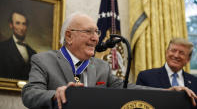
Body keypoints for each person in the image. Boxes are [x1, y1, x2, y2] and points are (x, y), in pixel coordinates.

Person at [22, 12, 197, 109]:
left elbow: (128, 87)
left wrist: (168, 91)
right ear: (69, 36)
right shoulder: (43, 60)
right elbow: (29, 94)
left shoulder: (101, 67)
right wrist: (55, 95)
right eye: (89, 32)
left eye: (97, 33)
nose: (95, 38)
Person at [136, 38, 197, 108]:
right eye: (173, 51)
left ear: (188, 60)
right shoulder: (146, 77)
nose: (176, 55)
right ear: (166, 52)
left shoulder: (195, 82)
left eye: (181, 53)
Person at [0, 11, 36, 80]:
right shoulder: (2, 48)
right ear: (11, 25)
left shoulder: (33, 53)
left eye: (24, 24)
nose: (21, 28)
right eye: (17, 23)